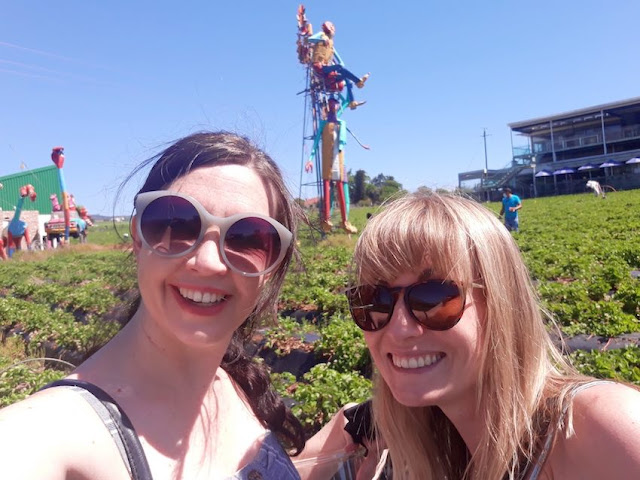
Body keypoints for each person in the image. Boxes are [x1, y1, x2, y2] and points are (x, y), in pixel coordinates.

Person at [0, 131, 305, 479]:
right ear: (138, 238)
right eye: (176, 223)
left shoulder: (234, 382)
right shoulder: (54, 435)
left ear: (272, 266)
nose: (208, 262)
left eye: (248, 237)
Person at [306, 191, 640, 479]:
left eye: (434, 298)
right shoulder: (423, 444)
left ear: (501, 301)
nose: (400, 328)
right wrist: (347, 428)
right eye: (373, 302)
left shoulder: (601, 429)